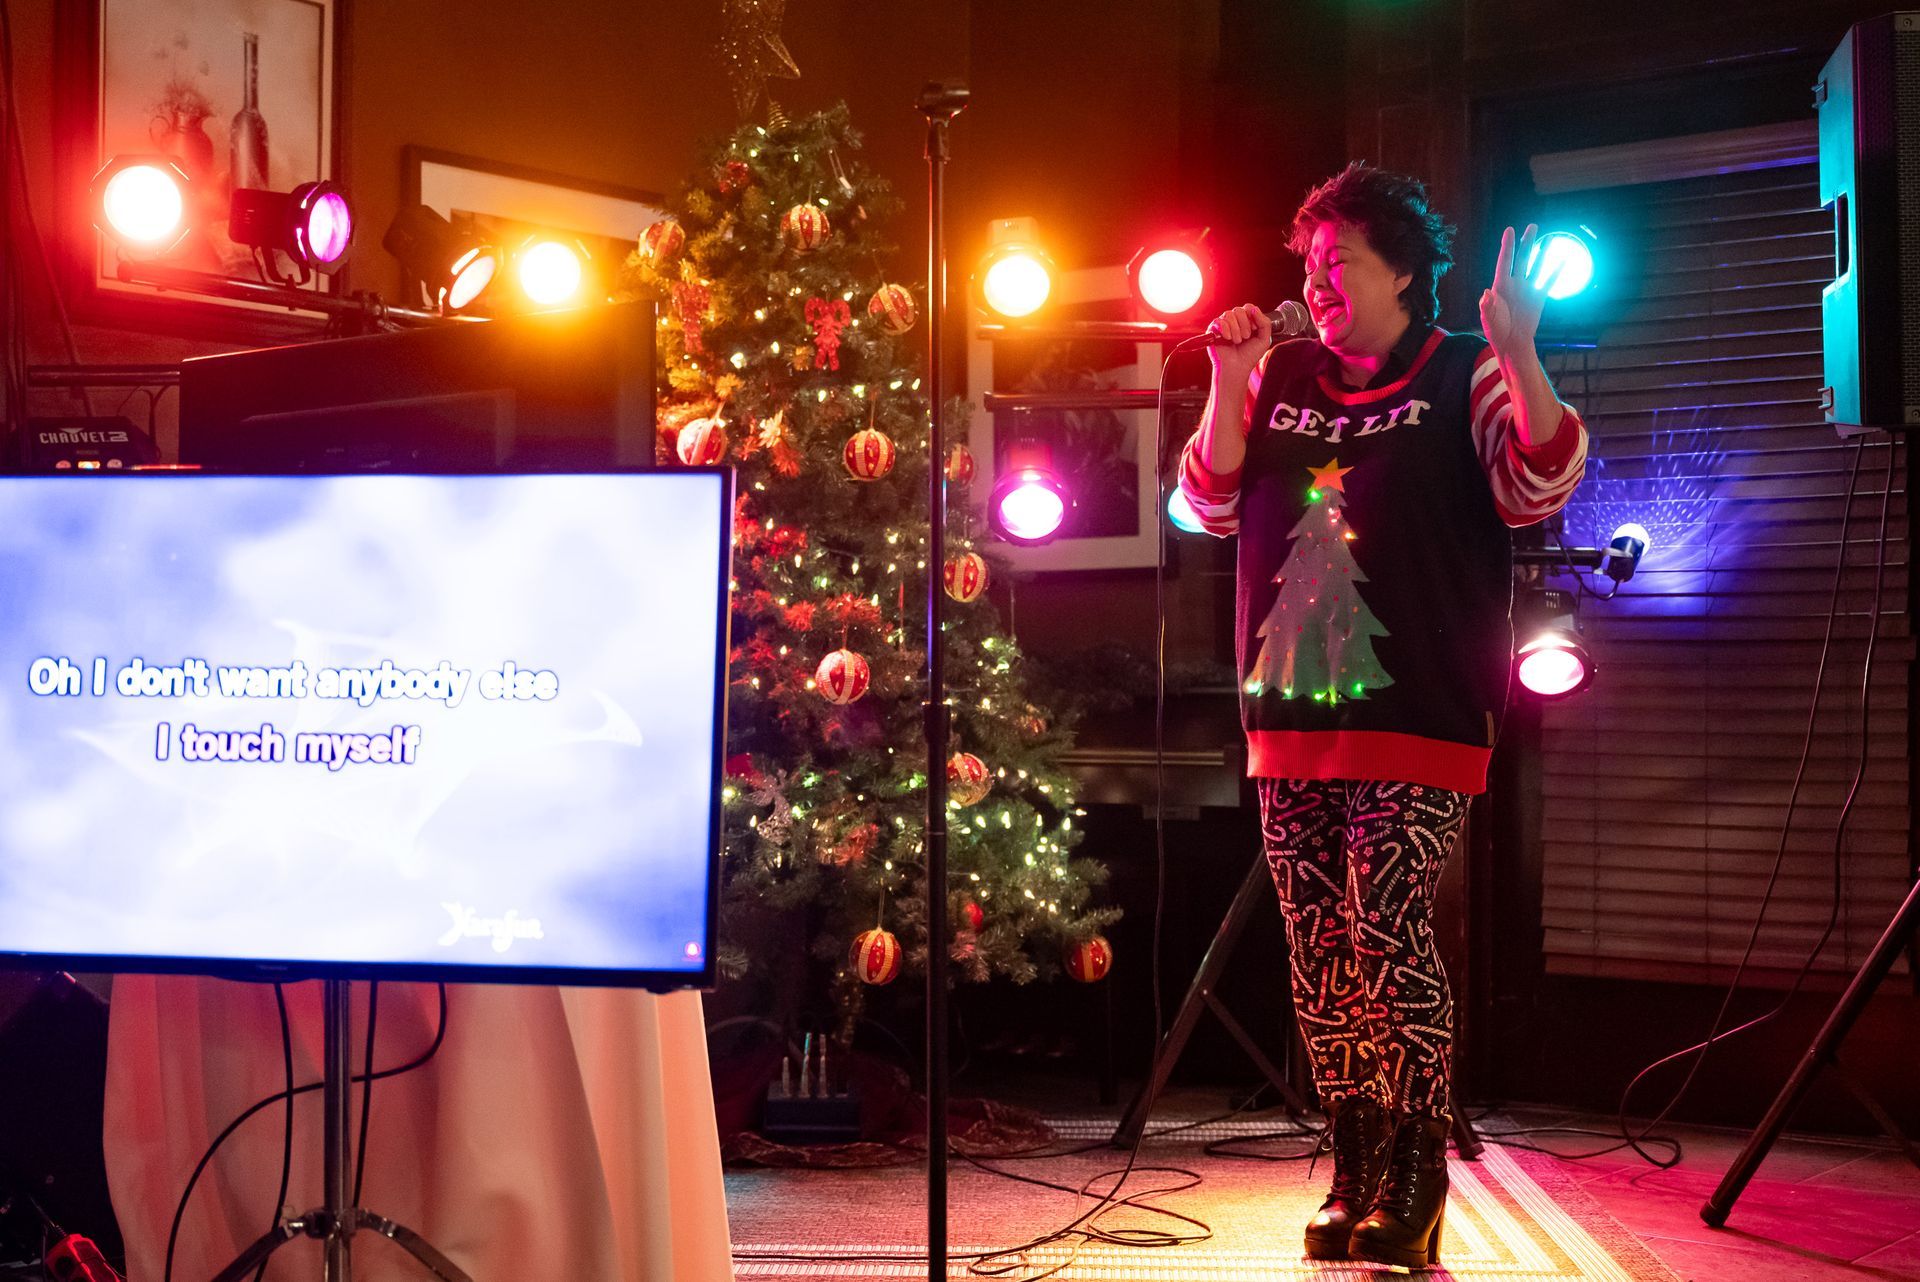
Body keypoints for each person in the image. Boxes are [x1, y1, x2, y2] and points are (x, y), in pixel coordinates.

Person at [1179, 161, 1587, 1270]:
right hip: (1289, 711)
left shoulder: (1465, 371)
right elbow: (1206, 501)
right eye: (1308, 264)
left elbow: (1538, 484)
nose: (1317, 281)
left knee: (1384, 926)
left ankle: (1418, 1167)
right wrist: (1228, 376)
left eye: (1339, 261)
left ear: (1403, 269)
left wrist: (1520, 346)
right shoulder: (1280, 376)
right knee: (1318, 947)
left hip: (1422, 709)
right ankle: (1354, 1154)